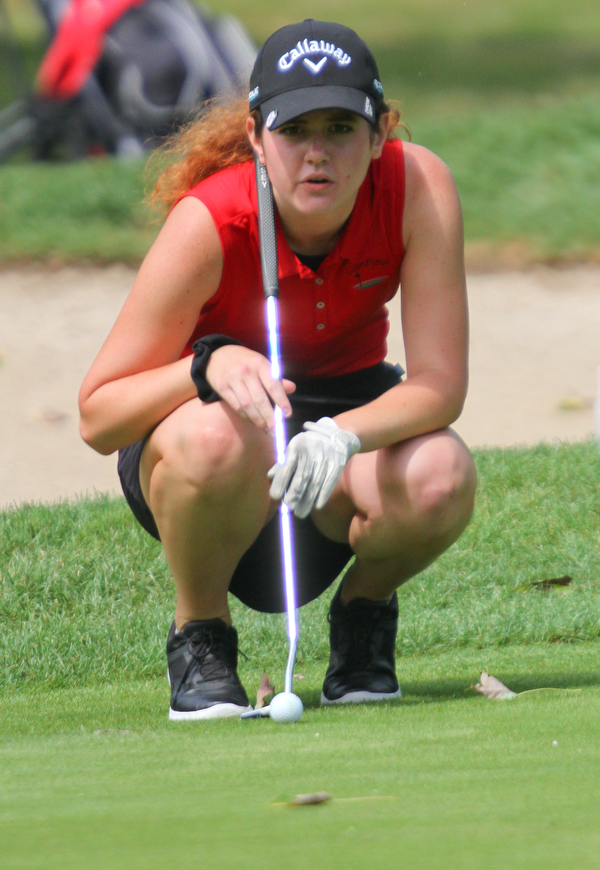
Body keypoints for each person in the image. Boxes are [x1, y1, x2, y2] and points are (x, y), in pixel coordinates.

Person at [79, 19, 477, 720]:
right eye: (295, 132)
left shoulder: (418, 186)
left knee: (441, 474)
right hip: (212, 455)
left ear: (379, 132)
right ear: (259, 138)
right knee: (214, 437)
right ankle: (201, 636)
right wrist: (205, 366)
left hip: (342, 446)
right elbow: (98, 415)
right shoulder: (212, 221)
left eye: (340, 129)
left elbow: (441, 387)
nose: (317, 155)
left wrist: (341, 435)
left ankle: (362, 618)